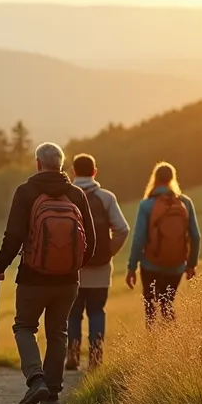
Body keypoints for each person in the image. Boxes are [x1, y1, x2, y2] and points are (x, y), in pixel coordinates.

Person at [0, 142, 96, 404]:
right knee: (57, 332)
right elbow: (91, 241)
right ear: (61, 165)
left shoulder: (26, 192)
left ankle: (36, 379)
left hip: (32, 277)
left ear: (38, 163)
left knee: (25, 327)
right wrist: (72, 265)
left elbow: (13, 235)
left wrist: (0, 265)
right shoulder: (76, 194)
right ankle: (51, 394)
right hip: (68, 280)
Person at [67, 153, 130, 371]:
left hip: (71, 268)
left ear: (73, 172)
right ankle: (95, 358)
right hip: (101, 268)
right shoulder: (106, 197)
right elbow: (122, 229)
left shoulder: (65, 195)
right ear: (95, 172)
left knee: (73, 313)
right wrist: (108, 252)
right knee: (96, 311)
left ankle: (72, 355)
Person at [126, 162, 201, 327]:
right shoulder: (185, 203)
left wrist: (131, 267)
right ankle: (172, 344)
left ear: (155, 179)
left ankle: (153, 347)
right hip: (176, 266)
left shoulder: (146, 205)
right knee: (167, 305)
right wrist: (191, 264)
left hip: (150, 265)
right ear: (173, 179)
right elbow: (195, 235)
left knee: (151, 307)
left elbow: (139, 238)